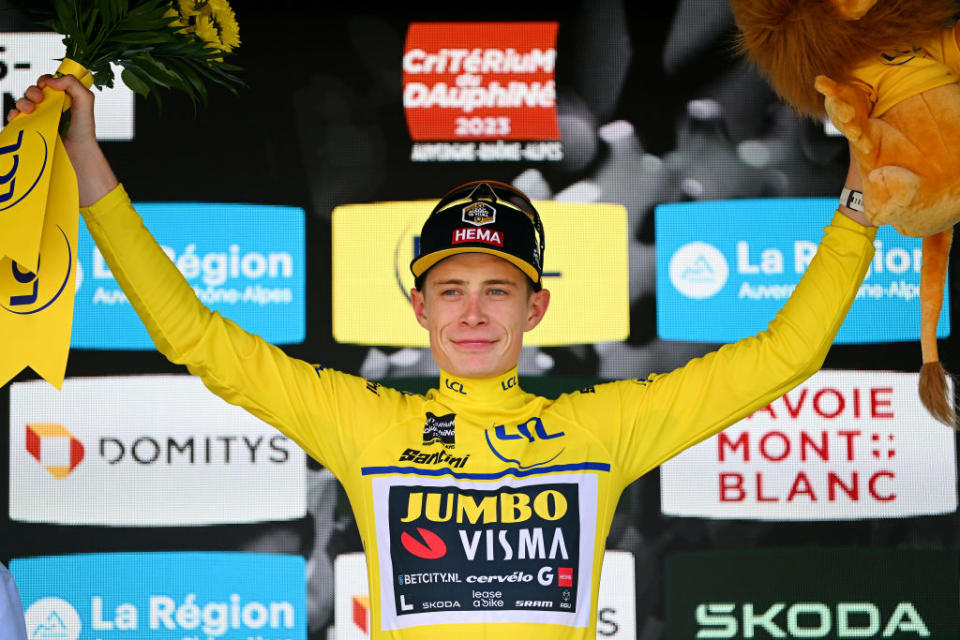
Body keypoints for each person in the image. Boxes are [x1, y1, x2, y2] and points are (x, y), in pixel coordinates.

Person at [11, 74, 876, 639]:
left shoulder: (606, 423)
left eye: (497, 289)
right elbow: (190, 332)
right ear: (418, 306)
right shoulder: (362, 419)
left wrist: (862, 203)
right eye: (450, 289)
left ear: (536, 307)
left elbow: (786, 355)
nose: (472, 311)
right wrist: (87, 158)